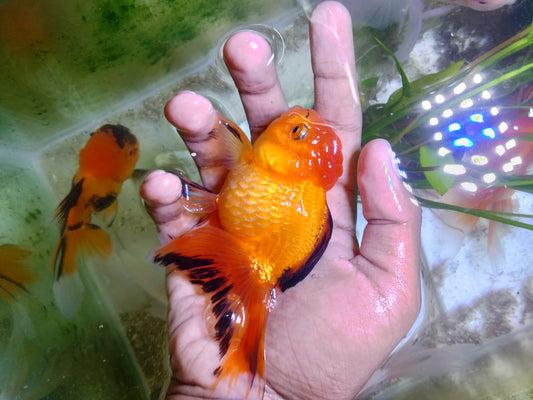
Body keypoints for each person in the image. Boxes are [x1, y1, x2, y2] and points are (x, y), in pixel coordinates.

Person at [140, 1, 422, 399]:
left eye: (299, 134)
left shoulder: (282, 178)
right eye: (300, 129)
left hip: (259, 253)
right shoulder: (270, 169)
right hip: (253, 245)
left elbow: (233, 162)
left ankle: (238, 356)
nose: (298, 121)